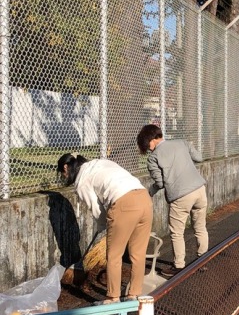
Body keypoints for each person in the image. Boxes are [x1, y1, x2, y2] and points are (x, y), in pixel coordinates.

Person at [57, 153, 153, 304]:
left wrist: (103, 226)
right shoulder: (100, 163)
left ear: (65, 167)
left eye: (63, 174)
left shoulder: (81, 181)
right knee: (138, 254)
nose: (64, 177)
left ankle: (113, 298)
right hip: (144, 198)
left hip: (124, 203)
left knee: (114, 255)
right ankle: (133, 295)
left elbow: (97, 209)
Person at [137, 124, 209, 278]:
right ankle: (202, 260)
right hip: (199, 189)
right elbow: (199, 158)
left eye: (146, 145)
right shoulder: (182, 143)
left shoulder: (153, 158)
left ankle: (179, 266)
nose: (148, 149)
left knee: (177, 233)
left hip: (180, 195)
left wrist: (150, 191)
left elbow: (161, 183)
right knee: (200, 227)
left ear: (152, 140)